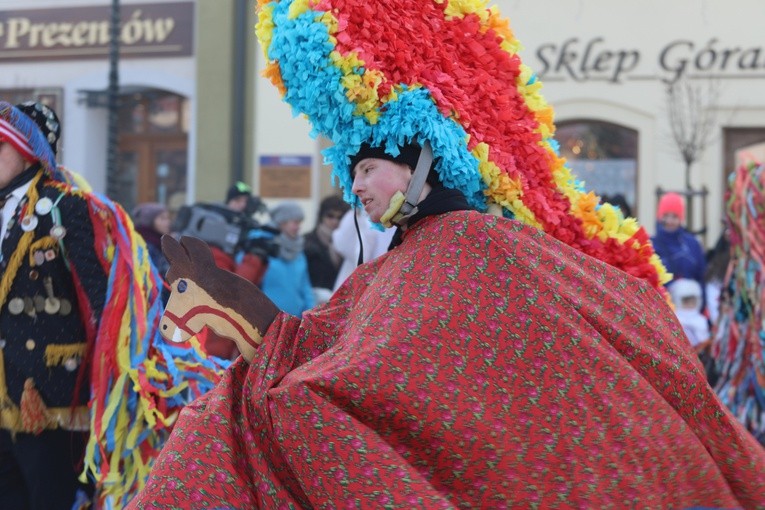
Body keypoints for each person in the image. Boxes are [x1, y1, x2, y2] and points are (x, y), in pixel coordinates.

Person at [130, 3, 765, 508]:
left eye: (368, 168)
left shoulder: (475, 243)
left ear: (420, 166)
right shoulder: (407, 255)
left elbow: (394, 368)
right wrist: (253, 328)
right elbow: (339, 341)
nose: (355, 187)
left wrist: (300, 393)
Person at [0, 101, 224, 510]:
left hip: (53, 401)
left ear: (29, 150)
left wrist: (126, 384)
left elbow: (112, 307)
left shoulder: (70, 208)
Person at [651, 192, 707, 307]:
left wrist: (702, 306)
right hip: (661, 308)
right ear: (660, 217)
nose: (670, 221)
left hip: (690, 309)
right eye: (666, 216)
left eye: (675, 216)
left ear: (681, 218)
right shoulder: (651, 244)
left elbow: (702, 277)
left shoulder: (692, 244)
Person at [260, 201, 315, 316]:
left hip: (294, 320)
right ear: (282, 222)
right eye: (295, 222)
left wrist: (310, 313)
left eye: (300, 222)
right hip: (265, 320)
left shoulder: (298, 251)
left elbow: (305, 288)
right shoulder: (260, 247)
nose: (298, 227)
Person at [332, 207, 395, 291]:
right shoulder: (361, 217)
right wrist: (356, 210)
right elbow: (342, 244)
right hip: (360, 289)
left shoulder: (401, 223)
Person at [303, 195, 349, 304]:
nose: (335, 221)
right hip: (314, 304)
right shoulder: (306, 242)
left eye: (339, 217)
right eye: (330, 216)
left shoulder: (349, 243)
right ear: (321, 217)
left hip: (339, 303)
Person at [669, 278, 711, 352]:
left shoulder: (701, 320)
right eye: (686, 301)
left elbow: (705, 340)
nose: (690, 304)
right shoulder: (673, 318)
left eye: (693, 301)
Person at [132, 202, 172, 277]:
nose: (168, 222)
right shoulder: (146, 245)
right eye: (162, 218)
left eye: (168, 218)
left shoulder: (159, 241)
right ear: (149, 221)